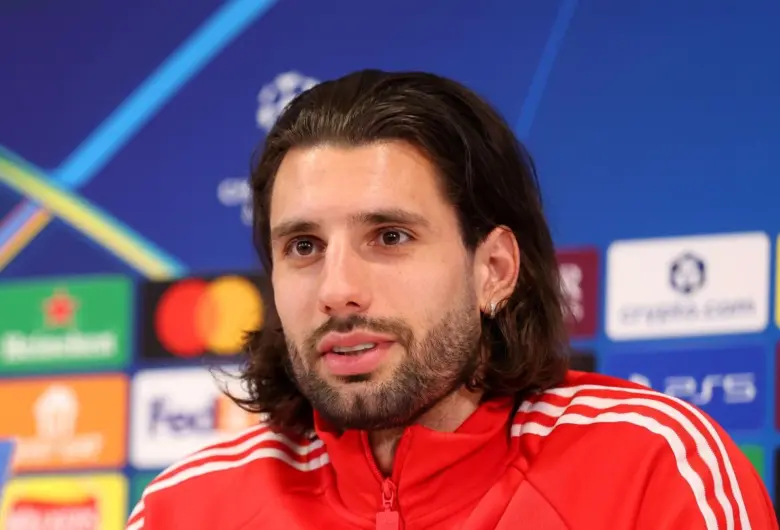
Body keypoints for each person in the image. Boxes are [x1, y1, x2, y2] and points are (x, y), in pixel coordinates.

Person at [126, 70, 776, 530]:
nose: (337, 289)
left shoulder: (651, 468)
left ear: (494, 269)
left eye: (390, 236)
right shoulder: (184, 510)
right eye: (303, 246)